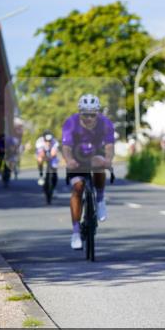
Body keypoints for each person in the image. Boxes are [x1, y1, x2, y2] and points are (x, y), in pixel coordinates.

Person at [61, 94, 116, 250]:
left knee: (100, 165)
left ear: (97, 113)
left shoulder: (105, 123)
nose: (89, 118)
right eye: (85, 114)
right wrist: (69, 160)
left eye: (93, 114)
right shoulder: (71, 123)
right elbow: (66, 147)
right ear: (80, 113)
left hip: (95, 154)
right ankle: (76, 232)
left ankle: (99, 199)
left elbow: (109, 146)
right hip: (77, 157)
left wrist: (108, 160)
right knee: (77, 187)